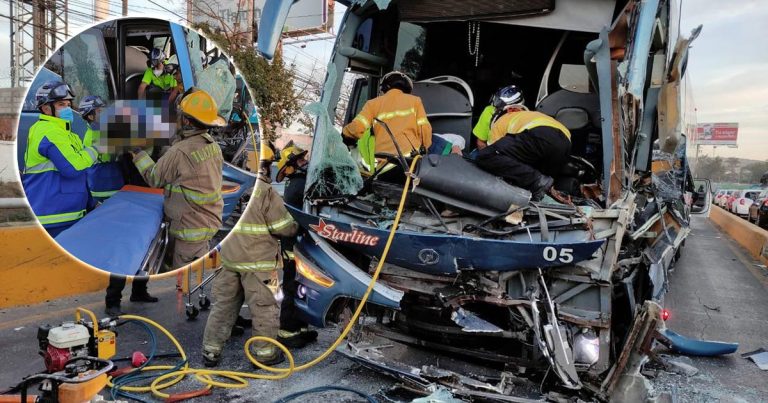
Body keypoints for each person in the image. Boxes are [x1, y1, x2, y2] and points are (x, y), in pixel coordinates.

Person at [202, 142, 299, 367]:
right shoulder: (265, 192)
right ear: (263, 166)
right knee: (266, 308)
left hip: (229, 259)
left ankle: (210, 352)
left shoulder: (230, 184)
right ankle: (264, 355)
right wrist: (297, 225)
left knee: (223, 307)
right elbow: (284, 227)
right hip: (260, 265)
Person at [131, 87, 225, 269]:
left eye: (180, 114)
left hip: (189, 230)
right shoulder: (212, 145)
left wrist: (137, 153)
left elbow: (154, 178)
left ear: (186, 120)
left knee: (183, 281)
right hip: (205, 224)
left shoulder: (180, 152)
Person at [22, 81, 99, 237]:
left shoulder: (67, 134)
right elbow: (73, 168)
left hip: (68, 213)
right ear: (45, 108)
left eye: (69, 104)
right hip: (53, 217)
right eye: (61, 104)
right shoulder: (49, 132)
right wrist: (97, 149)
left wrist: (91, 203)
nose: (68, 108)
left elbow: (82, 173)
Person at [475, 85, 571, 201]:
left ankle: (538, 181)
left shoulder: (500, 121)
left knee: (486, 156)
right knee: (537, 184)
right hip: (565, 142)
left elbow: (493, 154)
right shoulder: (529, 115)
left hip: (538, 135)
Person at [274, 143, 318, 348]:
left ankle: (300, 329)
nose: (305, 162)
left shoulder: (299, 182)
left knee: (302, 286)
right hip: (294, 246)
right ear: (290, 167)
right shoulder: (300, 184)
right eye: (300, 160)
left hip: (297, 244)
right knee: (293, 286)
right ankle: (287, 333)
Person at [342, 71, 432, 166]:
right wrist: (424, 148)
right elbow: (424, 129)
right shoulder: (415, 101)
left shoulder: (372, 104)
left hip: (384, 162)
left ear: (385, 87)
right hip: (409, 161)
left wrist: (344, 136)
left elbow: (356, 128)